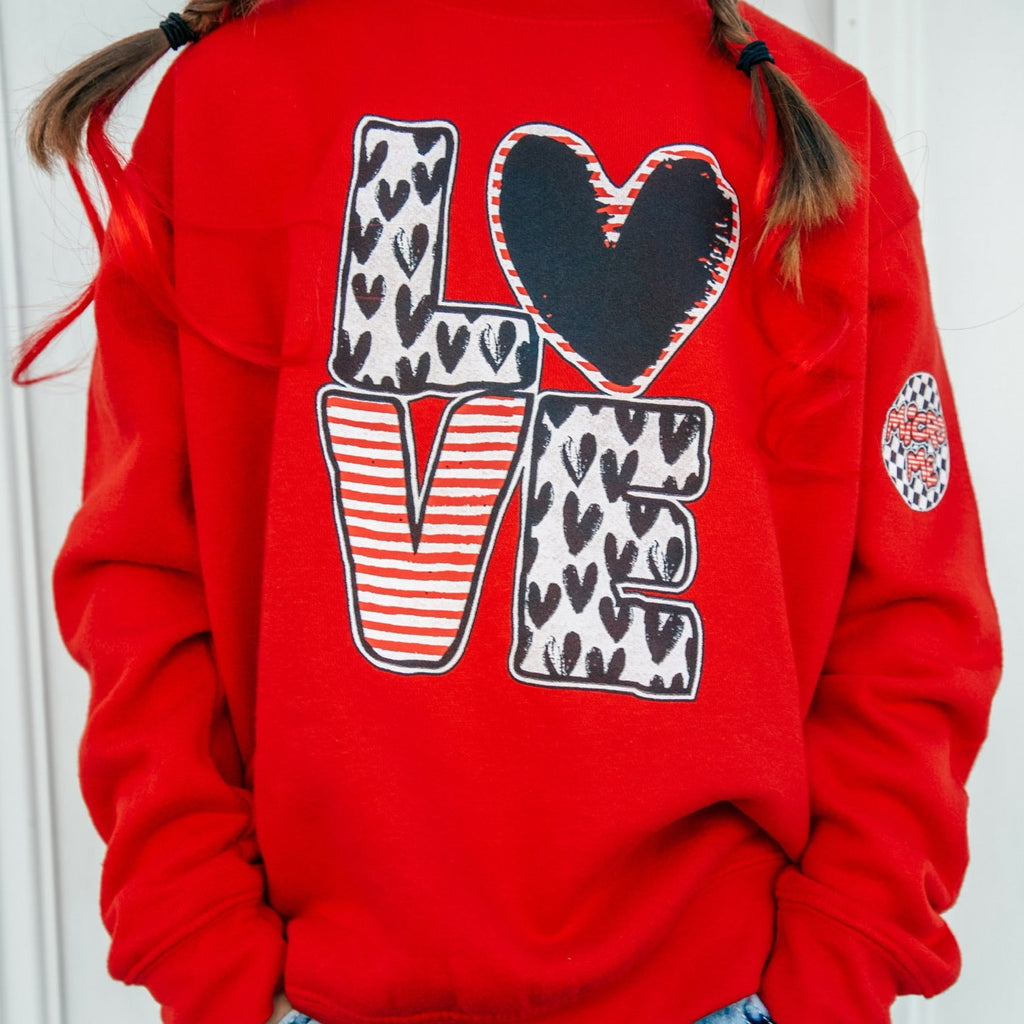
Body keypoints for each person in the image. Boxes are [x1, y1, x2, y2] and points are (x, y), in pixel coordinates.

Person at [14, 1, 1002, 1023]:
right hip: (320, 990)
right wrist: (204, 943)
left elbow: (914, 609)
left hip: (718, 991)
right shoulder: (227, 104)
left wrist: (838, 960)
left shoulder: (805, 117)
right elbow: (140, 574)